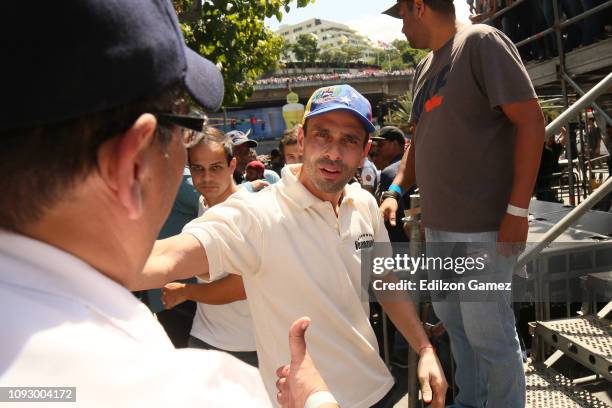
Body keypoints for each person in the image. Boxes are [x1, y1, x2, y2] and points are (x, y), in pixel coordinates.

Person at [0, 1, 331, 406]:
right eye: (185, 129)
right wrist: (315, 398)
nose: (330, 154)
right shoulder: (181, 392)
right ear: (133, 163)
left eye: (347, 139)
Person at [135, 84, 448, 408]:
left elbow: (384, 281)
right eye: (322, 135)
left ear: (365, 150)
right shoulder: (256, 214)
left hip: (376, 389)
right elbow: (166, 257)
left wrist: (424, 348)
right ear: (301, 139)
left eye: (349, 140)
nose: (333, 152)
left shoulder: (363, 203)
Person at [381, 1, 545, 407]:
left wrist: (517, 211)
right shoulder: (424, 68)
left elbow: (531, 120)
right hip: (439, 230)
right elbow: (418, 140)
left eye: (401, 17)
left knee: (490, 338)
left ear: (419, 7)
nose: (401, 29)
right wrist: (396, 188)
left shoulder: (480, 42)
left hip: (483, 231)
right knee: (458, 331)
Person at [162, 127, 258, 367]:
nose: (206, 178)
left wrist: (184, 292)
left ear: (232, 165)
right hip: (204, 337)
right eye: (198, 169)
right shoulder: (204, 202)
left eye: (215, 168)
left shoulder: (248, 211)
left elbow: (238, 287)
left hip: (247, 347)